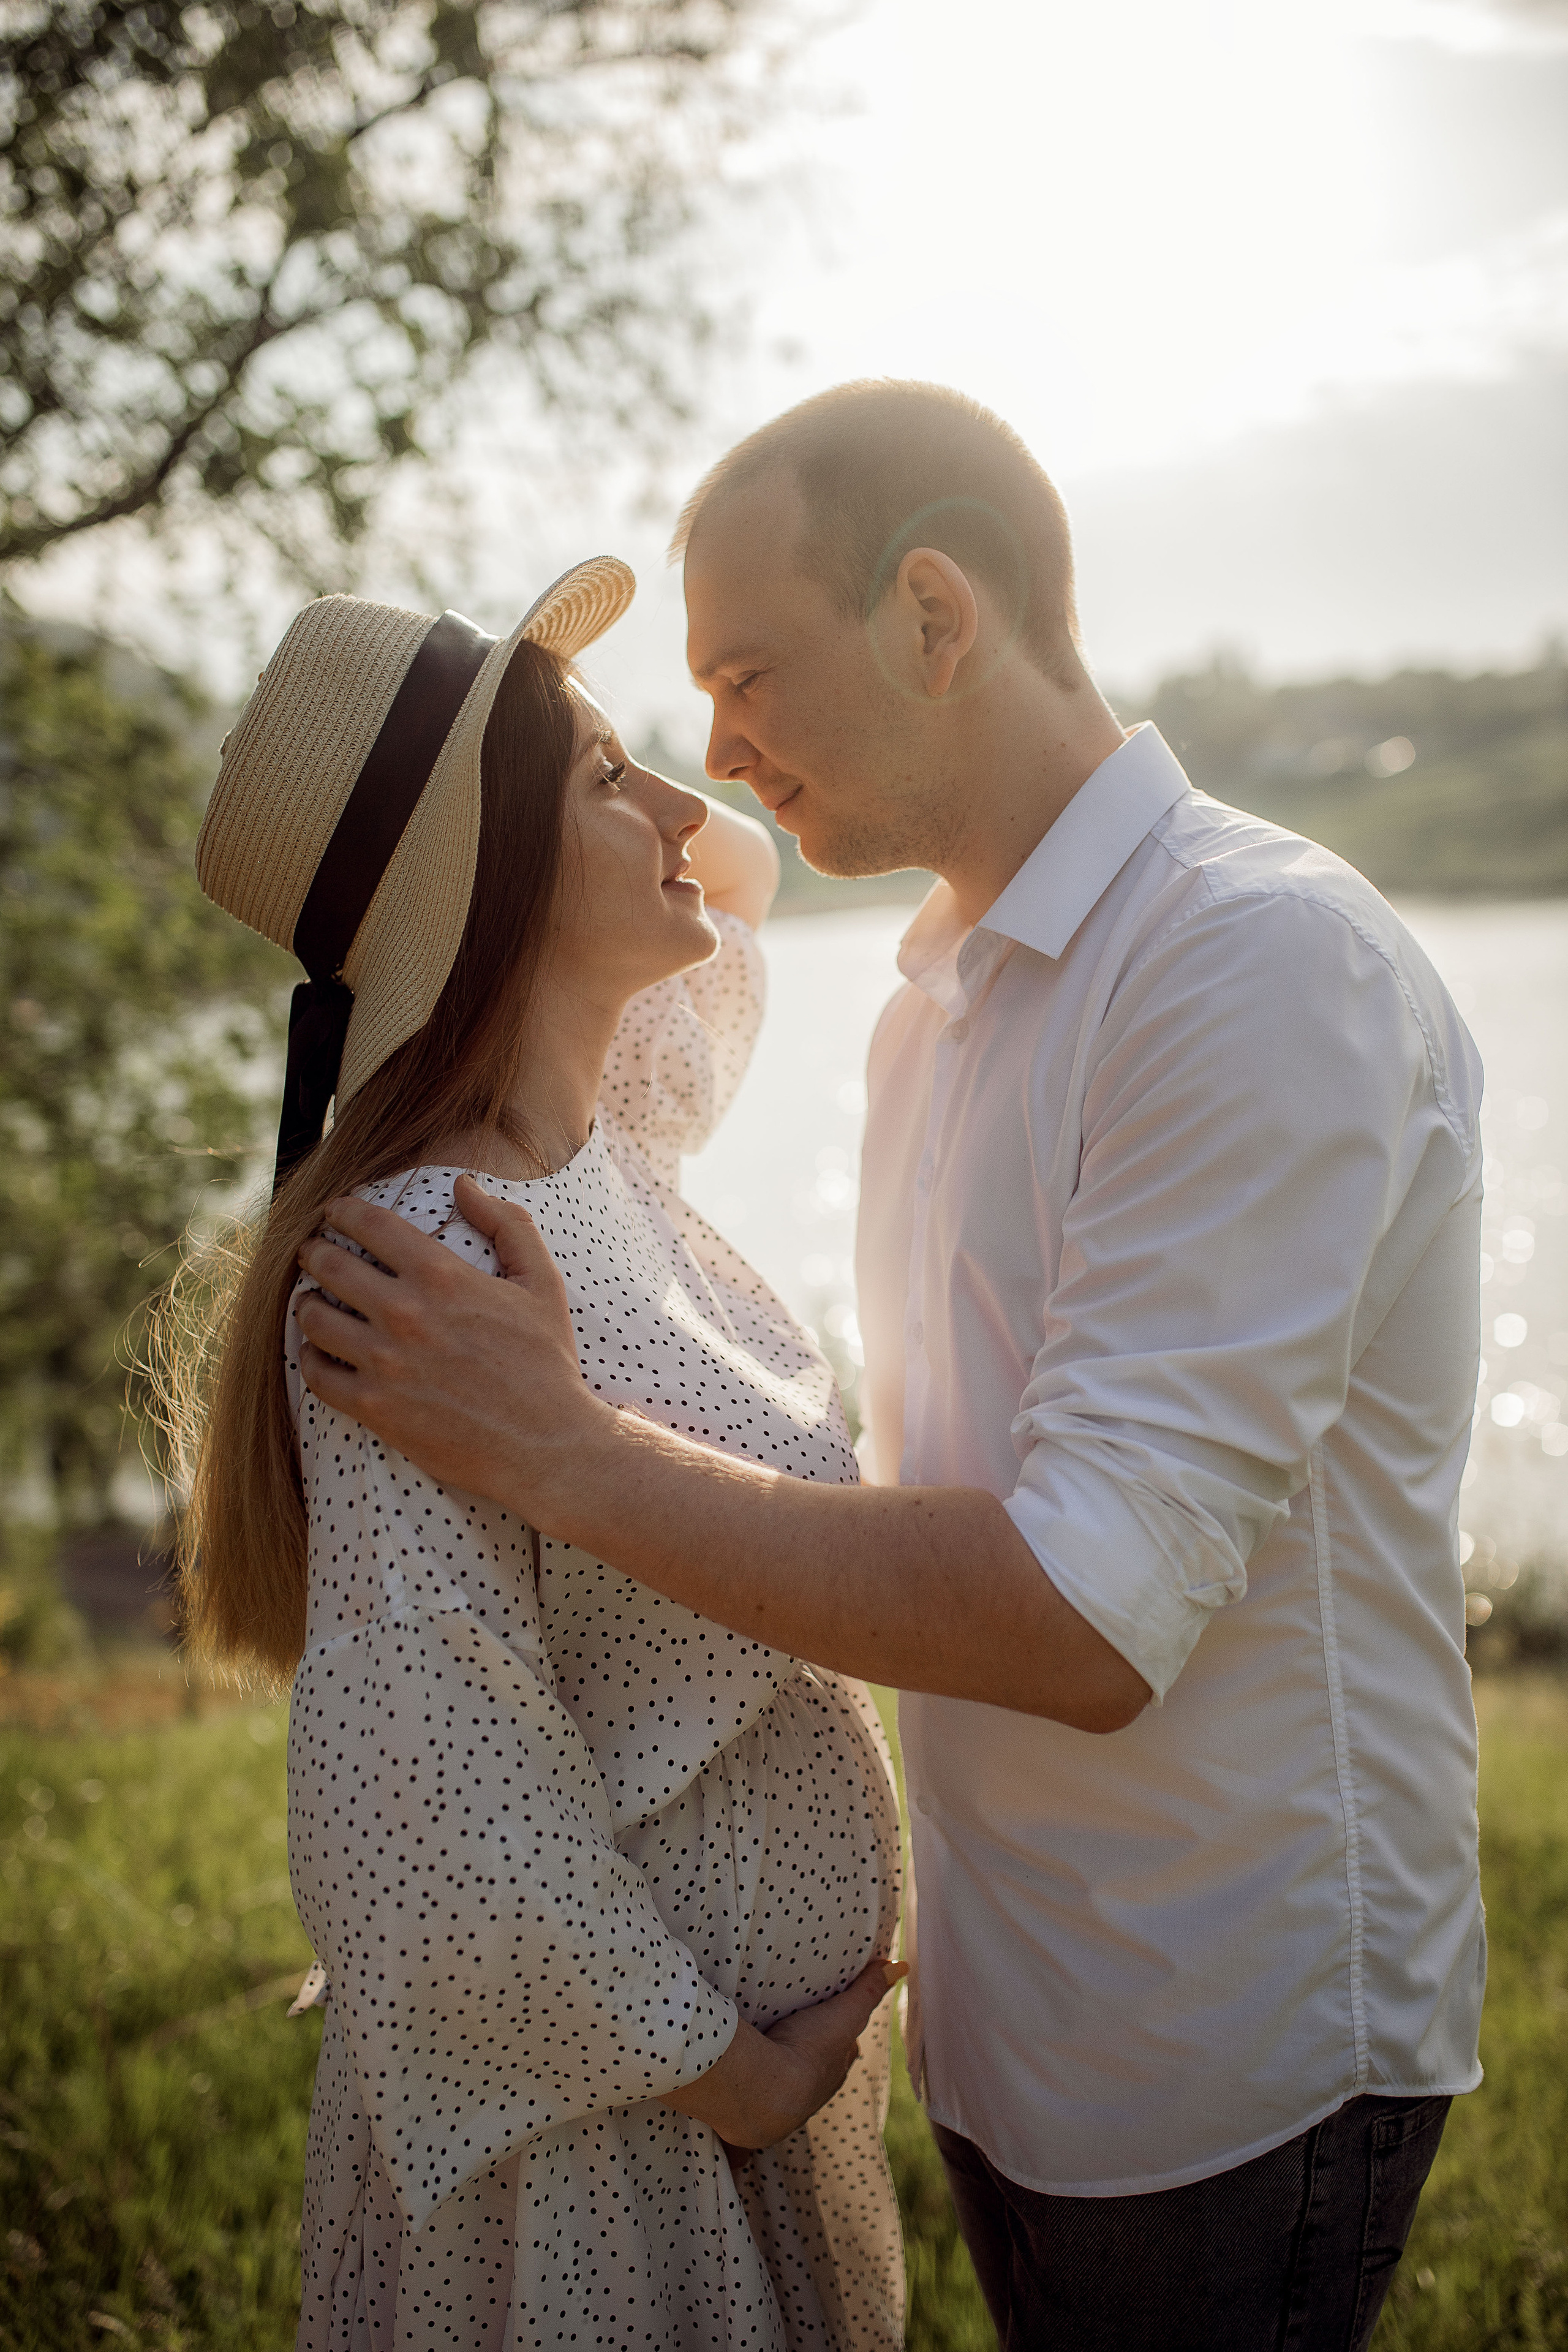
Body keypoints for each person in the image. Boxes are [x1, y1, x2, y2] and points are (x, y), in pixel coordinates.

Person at [292, 383, 1488, 2352]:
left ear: (937, 619)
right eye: (664, 723)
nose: (717, 756)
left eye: (746, 671)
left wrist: (565, 1451)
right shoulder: (940, 999)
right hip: (1000, 2028)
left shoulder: (1248, 970)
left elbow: (1088, 1616)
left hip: (1214, 2052)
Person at [164, 560, 910, 2352]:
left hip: (703, 2118)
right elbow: (426, 1795)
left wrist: (584, 779)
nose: (678, 805)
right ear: (489, 892)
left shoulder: (601, 1134)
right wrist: (735, 2081)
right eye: (603, 781)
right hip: (610, 2164)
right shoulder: (427, 1260)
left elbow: (734, 881)